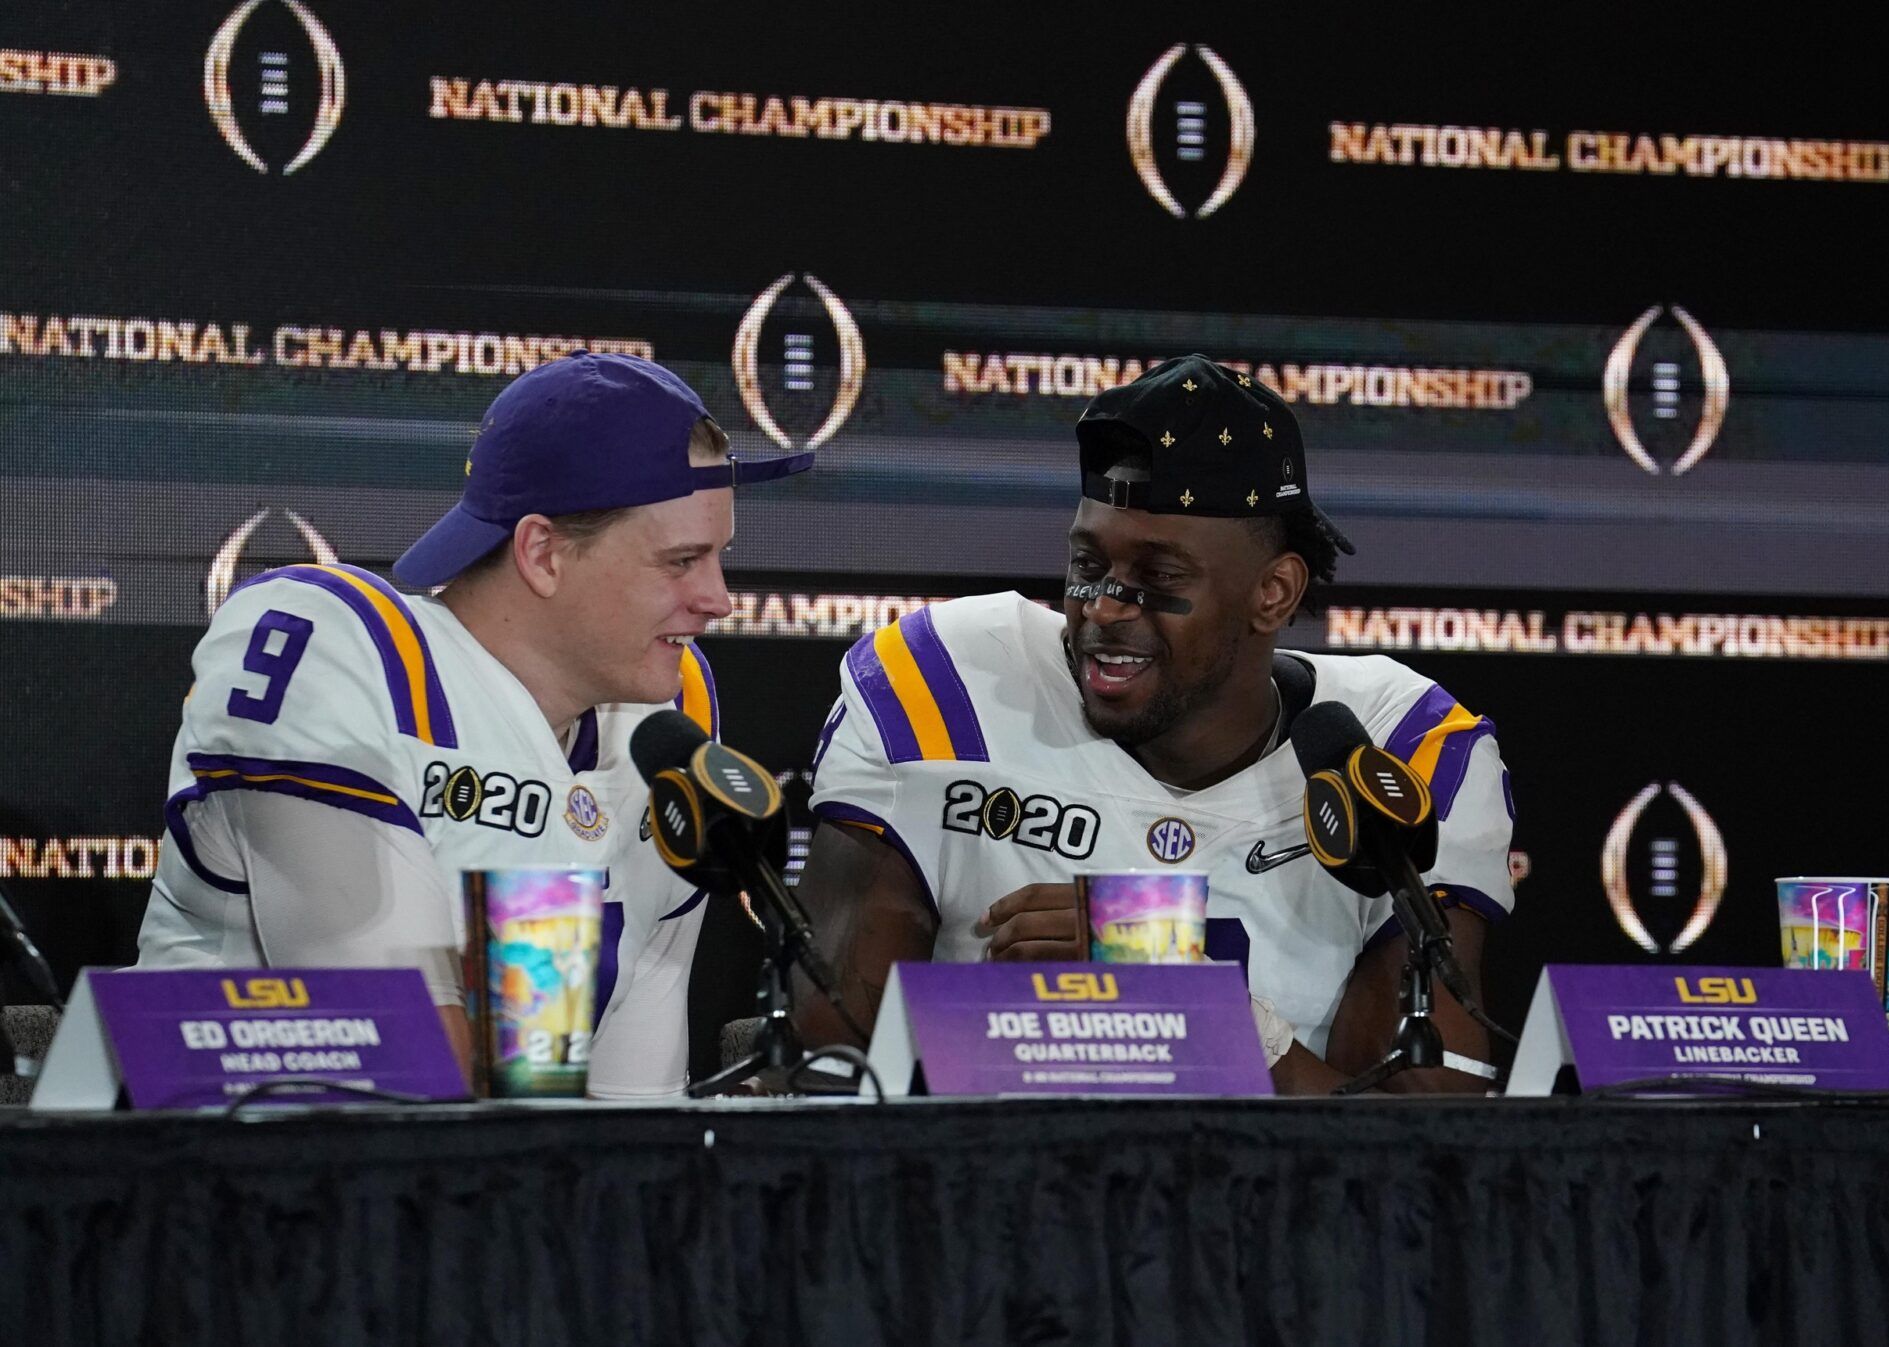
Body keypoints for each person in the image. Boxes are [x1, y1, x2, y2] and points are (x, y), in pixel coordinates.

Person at [795, 355, 1514, 1092]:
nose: (1104, 606)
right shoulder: (941, 685)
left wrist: (1202, 1005)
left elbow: (1426, 1155)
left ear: (1273, 591)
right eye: (1088, 561)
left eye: (1159, 578)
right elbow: (833, 1079)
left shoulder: (1399, 750)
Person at [136, 352, 810, 1096]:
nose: (718, 598)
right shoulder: (342, 657)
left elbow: (633, 1097)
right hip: (232, 1184)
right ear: (543, 553)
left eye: (718, 556)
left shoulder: (670, 713)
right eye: (681, 560)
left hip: (508, 1188)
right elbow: (401, 1073)